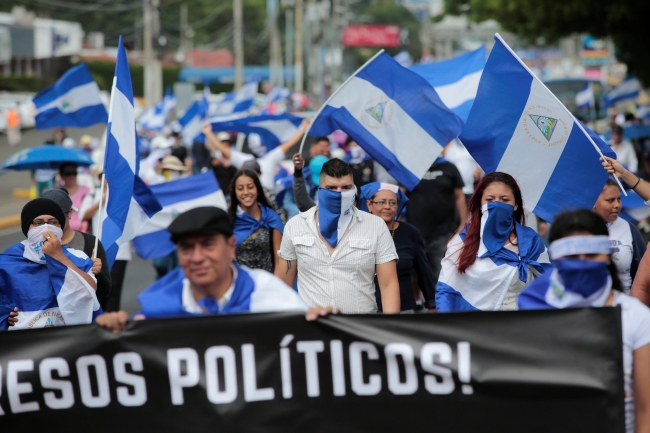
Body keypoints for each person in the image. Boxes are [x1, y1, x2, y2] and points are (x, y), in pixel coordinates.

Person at [518, 209, 650, 433]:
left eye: (590, 254)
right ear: (556, 259)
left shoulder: (636, 317)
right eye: (571, 257)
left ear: (607, 255)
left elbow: (646, 409)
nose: (581, 263)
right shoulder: (534, 312)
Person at [95, 207, 330, 333]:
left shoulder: (270, 295)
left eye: (208, 245)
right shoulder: (158, 306)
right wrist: (115, 333)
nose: (197, 258)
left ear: (230, 247)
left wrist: (322, 327)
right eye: (187, 248)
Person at [277, 158, 401, 314]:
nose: (339, 193)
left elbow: (388, 283)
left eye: (346, 188)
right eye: (331, 188)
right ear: (320, 188)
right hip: (311, 330)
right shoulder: (295, 226)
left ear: (354, 189)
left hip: (361, 330)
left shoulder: (376, 226)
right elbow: (282, 285)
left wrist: (390, 330)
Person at [436, 172, 551, 312]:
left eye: (504, 200)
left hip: (521, 326)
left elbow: (549, 285)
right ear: (480, 204)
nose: (497, 205)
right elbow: (446, 289)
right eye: (490, 200)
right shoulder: (462, 241)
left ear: (515, 205)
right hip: (475, 327)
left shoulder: (530, 240)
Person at [0, 198, 99, 330]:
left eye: (53, 222)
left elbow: (89, 292)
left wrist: (58, 256)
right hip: (25, 346)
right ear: (27, 227)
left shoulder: (77, 257)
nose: (46, 228)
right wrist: (5, 317)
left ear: (60, 227)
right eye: (38, 223)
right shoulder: (7, 261)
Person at [359, 182, 436, 313]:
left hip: (403, 309)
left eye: (393, 203)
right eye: (382, 202)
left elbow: (424, 272)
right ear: (369, 205)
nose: (387, 207)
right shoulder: (358, 233)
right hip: (366, 310)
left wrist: (431, 304)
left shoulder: (410, 232)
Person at [42, 188, 112, 310]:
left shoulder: (91, 243)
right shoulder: (37, 244)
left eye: (57, 217)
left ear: (69, 213)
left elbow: (105, 291)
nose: (51, 223)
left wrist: (98, 273)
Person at [407, 156, 468, 286]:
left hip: (443, 230)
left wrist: (463, 223)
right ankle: (417, 302)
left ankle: (438, 303)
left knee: (441, 269)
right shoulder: (412, 166)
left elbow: (459, 196)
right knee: (414, 270)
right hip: (414, 229)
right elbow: (400, 193)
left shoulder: (449, 167)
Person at [203, 119, 310, 191]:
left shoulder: (270, 158)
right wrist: (208, 133)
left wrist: (303, 128)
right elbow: (222, 148)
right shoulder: (244, 159)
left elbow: (289, 144)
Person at [591, 179, 646, 293]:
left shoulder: (629, 228)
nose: (617, 205)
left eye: (619, 199)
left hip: (626, 304)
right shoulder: (578, 229)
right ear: (594, 201)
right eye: (610, 200)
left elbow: (644, 273)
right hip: (590, 305)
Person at [229, 169, 284, 273]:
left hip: (268, 284)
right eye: (240, 189)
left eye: (250, 187)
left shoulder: (271, 219)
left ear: (258, 190)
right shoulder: (229, 221)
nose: (246, 192)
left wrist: (277, 286)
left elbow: (279, 261)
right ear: (235, 193)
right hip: (242, 284)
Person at [241, 159, 287, 223]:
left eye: (251, 173)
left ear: (259, 174)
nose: (248, 177)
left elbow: (280, 217)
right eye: (245, 174)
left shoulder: (270, 194)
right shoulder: (238, 195)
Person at [56, 163, 92, 232]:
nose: (71, 176)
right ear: (61, 175)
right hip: (61, 233)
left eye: (74, 173)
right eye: (68, 173)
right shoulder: (55, 192)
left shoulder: (86, 190)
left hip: (82, 232)